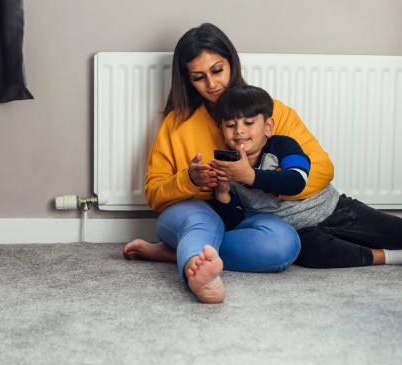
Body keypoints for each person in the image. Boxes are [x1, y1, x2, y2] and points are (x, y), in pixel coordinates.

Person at [123, 23, 334, 303]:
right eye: (199, 77)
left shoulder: (271, 111)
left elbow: (322, 168)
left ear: (232, 63)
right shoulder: (176, 124)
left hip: (244, 214)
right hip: (194, 211)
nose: (212, 85)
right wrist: (190, 180)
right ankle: (195, 274)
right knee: (202, 220)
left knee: (285, 244)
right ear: (188, 80)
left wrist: (255, 180)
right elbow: (153, 192)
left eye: (217, 70)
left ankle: (178, 252)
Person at [209, 85, 402, 267]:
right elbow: (235, 221)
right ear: (222, 130)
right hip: (301, 232)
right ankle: (388, 257)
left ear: (268, 127)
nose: (239, 130)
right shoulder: (227, 167)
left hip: (334, 209)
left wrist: (251, 176)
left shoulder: (284, 145)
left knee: (392, 230)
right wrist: (222, 194)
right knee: (313, 254)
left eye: (249, 123)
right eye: (230, 125)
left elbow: (296, 181)